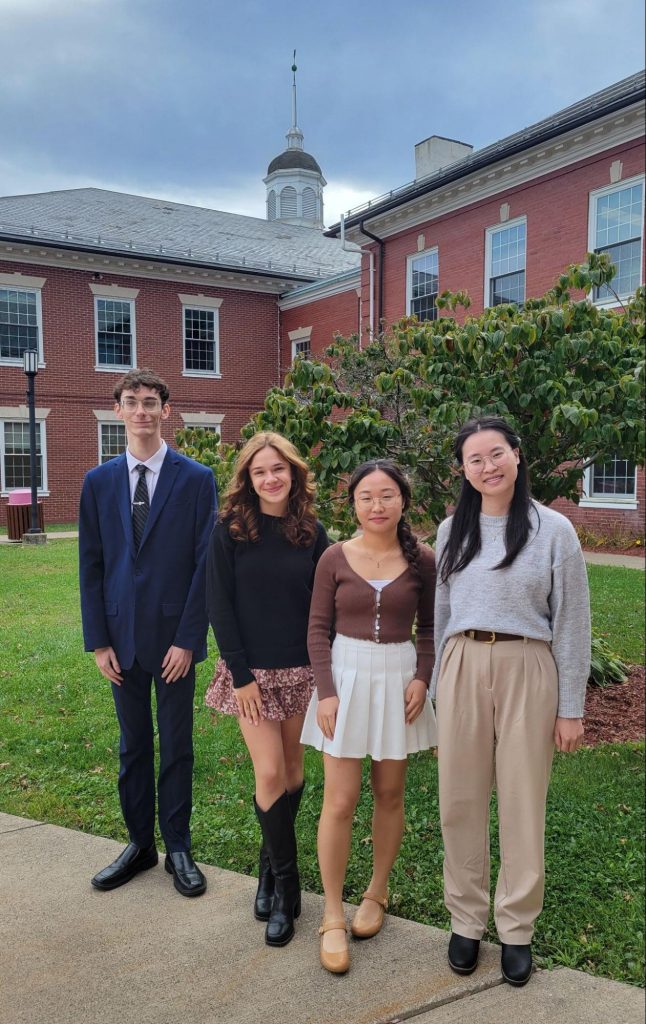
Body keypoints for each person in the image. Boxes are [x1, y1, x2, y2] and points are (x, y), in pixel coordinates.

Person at [432, 416, 590, 987]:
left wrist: (570, 706)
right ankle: (467, 919)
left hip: (529, 664)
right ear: (464, 471)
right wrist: (435, 692)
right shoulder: (452, 530)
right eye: (475, 460)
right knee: (459, 798)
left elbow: (573, 622)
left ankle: (517, 927)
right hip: (462, 666)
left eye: (496, 454)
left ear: (517, 456)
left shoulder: (554, 530)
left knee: (523, 801)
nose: (488, 466)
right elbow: (442, 616)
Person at [79, 368, 217, 897]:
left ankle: (178, 847)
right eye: (132, 402)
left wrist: (188, 639)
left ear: (166, 409)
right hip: (120, 641)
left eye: (151, 402)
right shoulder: (99, 482)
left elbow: (205, 565)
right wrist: (98, 642)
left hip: (173, 642)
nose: (141, 411)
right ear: (118, 411)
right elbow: (91, 565)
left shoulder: (196, 479)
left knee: (176, 744)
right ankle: (140, 844)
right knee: (133, 745)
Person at [301, 460, 437, 974]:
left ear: (402, 500)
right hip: (346, 675)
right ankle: (332, 913)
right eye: (365, 497)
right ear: (352, 503)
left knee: (389, 793)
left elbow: (429, 630)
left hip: (399, 676)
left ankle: (377, 892)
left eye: (386, 496)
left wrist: (422, 678)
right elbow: (316, 630)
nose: (376, 505)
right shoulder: (334, 557)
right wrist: (328, 692)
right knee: (339, 800)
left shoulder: (422, 558)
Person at [205, 432, 328, 947]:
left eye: (279, 469)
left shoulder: (312, 532)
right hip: (252, 674)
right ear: (248, 479)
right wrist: (240, 675)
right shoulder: (230, 531)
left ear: (293, 473)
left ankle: (266, 866)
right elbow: (219, 604)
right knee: (270, 770)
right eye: (260, 471)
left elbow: (323, 606)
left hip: (300, 670)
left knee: (293, 772)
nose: (270, 478)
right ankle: (287, 887)